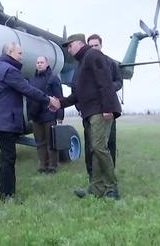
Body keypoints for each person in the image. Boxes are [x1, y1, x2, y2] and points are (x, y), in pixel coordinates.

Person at [51, 34, 122, 200]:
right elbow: (78, 94)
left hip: (100, 111)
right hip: (91, 112)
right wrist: (60, 103)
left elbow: (105, 83)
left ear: (79, 43)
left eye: (70, 46)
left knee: (98, 147)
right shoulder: (82, 62)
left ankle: (112, 188)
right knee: (95, 149)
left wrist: (107, 108)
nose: (68, 50)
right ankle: (96, 188)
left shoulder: (93, 55)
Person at [0, 42, 58, 201]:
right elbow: (27, 89)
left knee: (6, 156)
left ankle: (1, 189)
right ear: (10, 52)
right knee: (9, 157)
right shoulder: (9, 70)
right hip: (3, 121)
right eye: (19, 53)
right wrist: (48, 99)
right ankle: (7, 194)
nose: (21, 56)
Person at [87, 34, 122, 170]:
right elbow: (77, 86)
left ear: (101, 45)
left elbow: (119, 82)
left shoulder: (111, 63)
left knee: (110, 142)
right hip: (91, 110)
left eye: (96, 45)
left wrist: (107, 88)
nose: (94, 48)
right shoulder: (84, 64)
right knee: (92, 143)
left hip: (109, 107)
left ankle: (110, 171)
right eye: (91, 46)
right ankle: (94, 175)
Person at [27, 56, 64, 174]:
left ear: (47, 64)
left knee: (51, 143)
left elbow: (59, 98)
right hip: (36, 116)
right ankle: (42, 165)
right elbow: (29, 99)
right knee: (40, 143)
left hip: (50, 115)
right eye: (37, 62)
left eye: (42, 62)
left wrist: (60, 116)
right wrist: (29, 116)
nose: (39, 64)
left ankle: (52, 166)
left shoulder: (53, 79)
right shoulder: (31, 80)